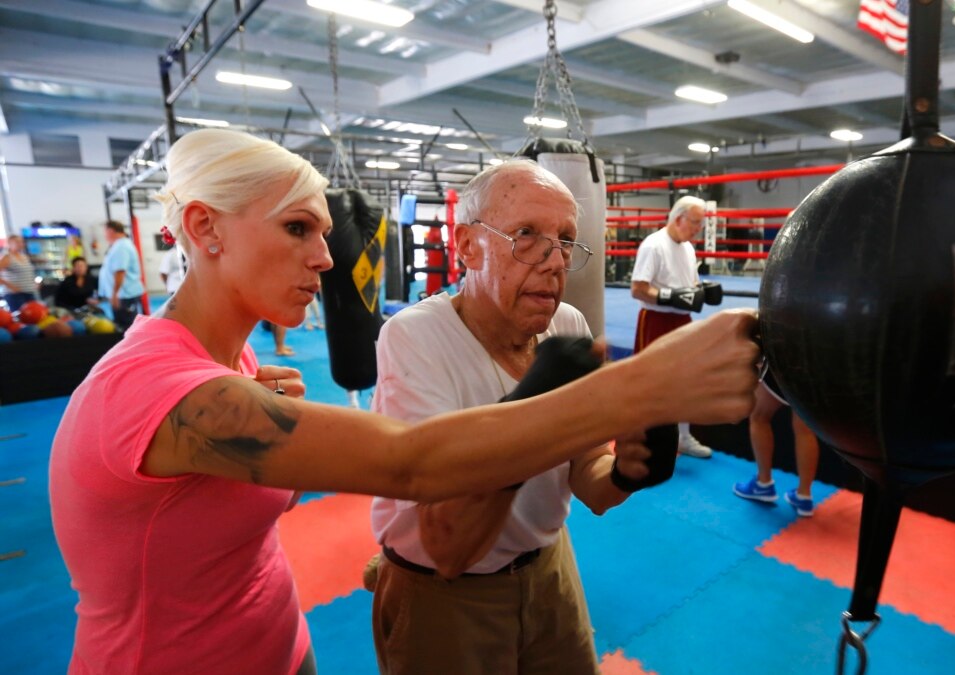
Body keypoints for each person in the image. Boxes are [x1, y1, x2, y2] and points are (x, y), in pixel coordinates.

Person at [48, 128, 759, 675]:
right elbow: (411, 467)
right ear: (205, 230)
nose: (328, 258)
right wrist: (650, 379)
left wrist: (628, 471)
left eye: (326, 231)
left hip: (280, 640)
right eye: (299, 228)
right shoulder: (155, 388)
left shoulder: (236, 363)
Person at [370, 160, 657, 674]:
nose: (554, 261)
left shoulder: (566, 323)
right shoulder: (416, 339)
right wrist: (532, 406)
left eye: (566, 240)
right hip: (443, 589)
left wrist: (627, 473)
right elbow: (450, 544)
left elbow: (588, 478)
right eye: (526, 235)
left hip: (549, 568)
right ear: (466, 246)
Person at [630, 195, 720, 459]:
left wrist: (701, 292)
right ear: (678, 218)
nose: (697, 229)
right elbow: (638, 289)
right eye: (694, 223)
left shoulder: (689, 248)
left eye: (700, 224)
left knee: (686, 379)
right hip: (656, 320)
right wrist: (668, 296)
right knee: (650, 380)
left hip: (681, 320)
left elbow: (689, 286)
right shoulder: (653, 245)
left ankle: (682, 436)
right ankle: (642, 437)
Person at [733, 369, 821, 517]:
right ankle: (804, 495)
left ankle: (763, 483)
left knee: (759, 417)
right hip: (817, 368)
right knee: (806, 430)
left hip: (786, 361)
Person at [98, 219, 145, 330]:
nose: (104, 235)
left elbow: (120, 271)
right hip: (122, 294)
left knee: (127, 327)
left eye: (105, 232)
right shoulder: (118, 245)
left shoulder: (121, 247)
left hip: (124, 295)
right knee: (125, 325)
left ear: (110, 231)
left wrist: (115, 294)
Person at [0, 233, 38, 311]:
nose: (21, 244)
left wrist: (35, 282)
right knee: (22, 318)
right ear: (9, 244)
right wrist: (10, 286)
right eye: (17, 242)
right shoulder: (6, 257)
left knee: (35, 316)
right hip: (15, 294)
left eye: (22, 242)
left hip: (29, 291)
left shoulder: (23, 256)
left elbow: (28, 272)